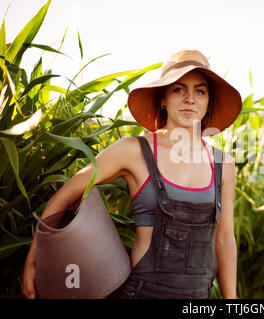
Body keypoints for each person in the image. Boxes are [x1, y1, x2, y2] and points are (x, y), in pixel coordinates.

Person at [22, 49, 242, 299]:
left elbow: (224, 240)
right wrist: (34, 259)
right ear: (163, 98)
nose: (190, 98)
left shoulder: (223, 164)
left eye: (200, 91)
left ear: (208, 101)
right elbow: (65, 195)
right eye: (178, 89)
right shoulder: (132, 151)